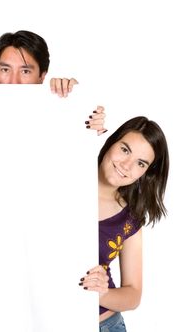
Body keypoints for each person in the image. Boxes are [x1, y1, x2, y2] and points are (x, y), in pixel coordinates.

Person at [78, 116, 169, 331]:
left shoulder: (129, 220)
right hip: (40, 315)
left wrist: (105, 292)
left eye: (141, 163)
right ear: (111, 141)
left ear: (145, 173)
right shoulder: (61, 179)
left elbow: (133, 294)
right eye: (125, 150)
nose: (126, 165)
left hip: (104, 325)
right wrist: (76, 107)